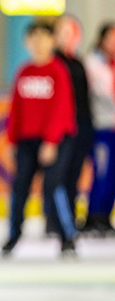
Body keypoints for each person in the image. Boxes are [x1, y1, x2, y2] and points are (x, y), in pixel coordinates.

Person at [2, 21, 77, 258]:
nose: (39, 43)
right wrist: (12, 140)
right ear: (27, 42)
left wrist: (51, 141)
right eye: (34, 38)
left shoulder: (58, 71)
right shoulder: (24, 72)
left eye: (44, 38)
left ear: (52, 41)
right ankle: (13, 235)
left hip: (56, 140)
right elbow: (16, 110)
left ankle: (67, 237)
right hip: (26, 140)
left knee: (53, 186)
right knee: (19, 187)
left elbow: (61, 109)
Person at [48, 15, 93, 233]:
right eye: (62, 33)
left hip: (82, 125)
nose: (67, 37)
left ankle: (70, 219)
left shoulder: (78, 62)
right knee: (58, 175)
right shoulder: (52, 63)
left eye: (71, 33)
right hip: (62, 128)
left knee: (74, 175)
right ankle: (55, 222)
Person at [83, 22, 115, 236]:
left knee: (112, 174)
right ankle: (93, 215)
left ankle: (105, 217)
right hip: (101, 126)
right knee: (101, 172)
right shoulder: (91, 63)